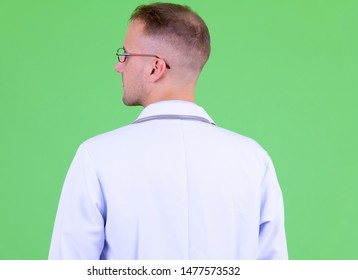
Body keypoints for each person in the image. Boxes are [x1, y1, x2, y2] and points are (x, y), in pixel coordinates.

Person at [48, 2, 288, 260]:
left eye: (126, 55)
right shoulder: (253, 161)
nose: (119, 65)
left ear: (155, 67)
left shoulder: (95, 158)